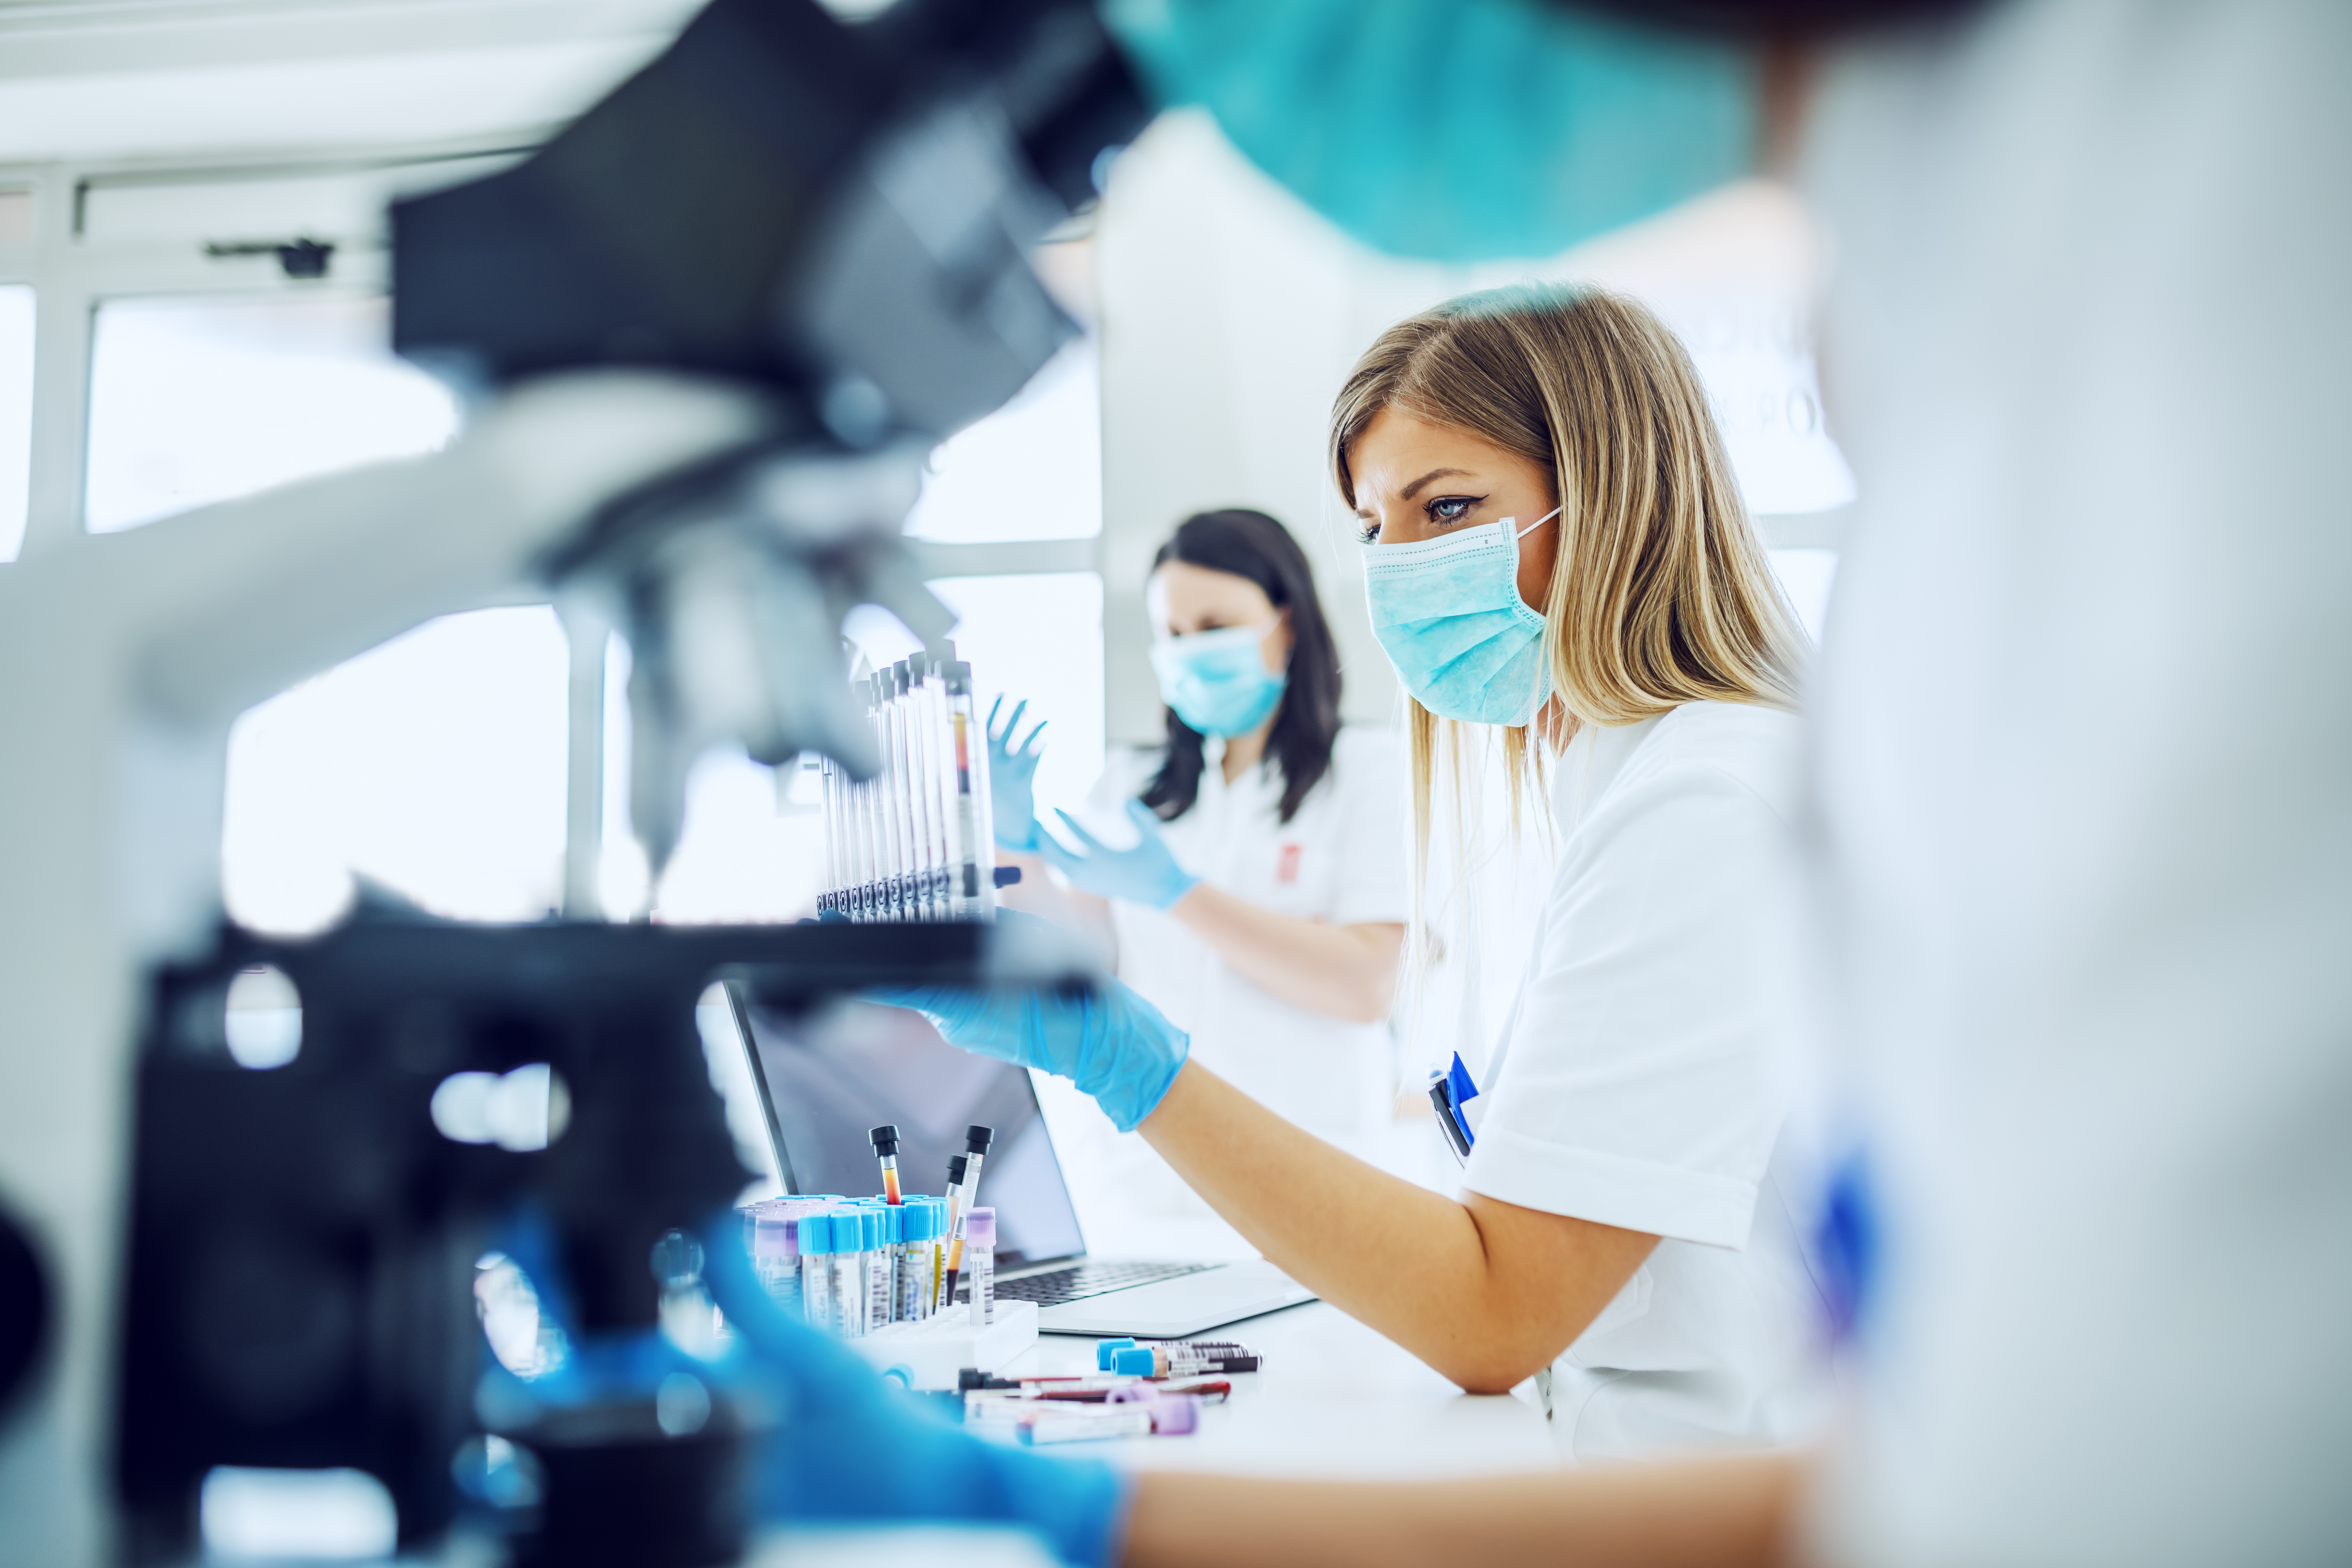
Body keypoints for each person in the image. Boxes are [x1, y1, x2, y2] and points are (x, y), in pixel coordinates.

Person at [891, 282, 1832, 1457]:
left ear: (1614, 495)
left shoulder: (1705, 798)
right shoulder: (1607, 790)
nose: (1402, 569)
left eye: (1449, 507)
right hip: (1603, 1436)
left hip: (1711, 1476)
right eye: (1378, 528)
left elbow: (1496, 1310)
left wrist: (1118, 1056)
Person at [986, 509, 1409, 1216]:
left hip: (1312, 1184)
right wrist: (1015, 854)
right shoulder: (1130, 785)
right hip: (1141, 1185)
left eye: (1216, 628)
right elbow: (1078, 969)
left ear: (1289, 624)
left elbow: (1365, 985)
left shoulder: (1368, 773)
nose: (1191, 652)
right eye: (1173, 636)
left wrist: (1178, 895)